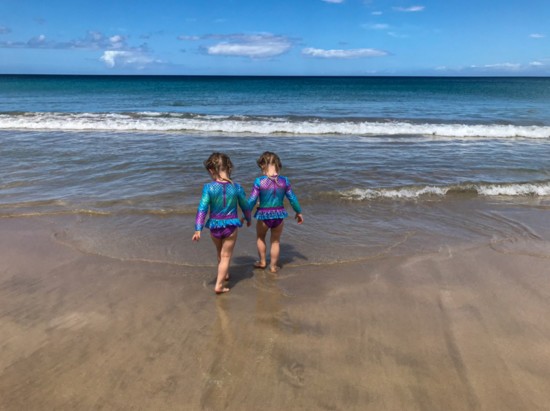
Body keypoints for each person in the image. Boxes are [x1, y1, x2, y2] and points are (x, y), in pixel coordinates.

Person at [192, 152, 251, 294]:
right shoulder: (236, 187)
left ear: (212, 170)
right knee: (226, 256)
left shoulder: (209, 188)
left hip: (214, 227)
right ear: (229, 168)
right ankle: (219, 285)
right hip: (230, 226)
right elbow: (245, 206)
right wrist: (248, 218)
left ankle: (224, 274)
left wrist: (198, 228)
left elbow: (202, 208)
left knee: (220, 252)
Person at [248, 151, 303, 273]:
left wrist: (246, 214)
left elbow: (252, 200)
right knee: (275, 241)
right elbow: (292, 198)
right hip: (279, 216)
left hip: (263, 216)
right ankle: (273, 266)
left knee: (260, 237)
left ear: (263, 165)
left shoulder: (259, 181)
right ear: (278, 165)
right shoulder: (284, 181)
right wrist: (298, 212)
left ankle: (262, 262)